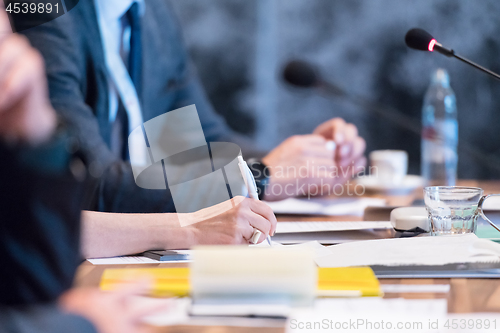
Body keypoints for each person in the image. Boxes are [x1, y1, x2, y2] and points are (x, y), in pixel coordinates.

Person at [15, 0, 364, 256]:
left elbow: (197, 144)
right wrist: (258, 178)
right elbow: (86, 182)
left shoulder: (150, 13)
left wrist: (306, 162)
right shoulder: (44, 16)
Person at [0, 7, 157, 332]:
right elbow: (100, 179)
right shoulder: (52, 15)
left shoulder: (150, 14)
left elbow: (200, 133)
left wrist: (36, 138)